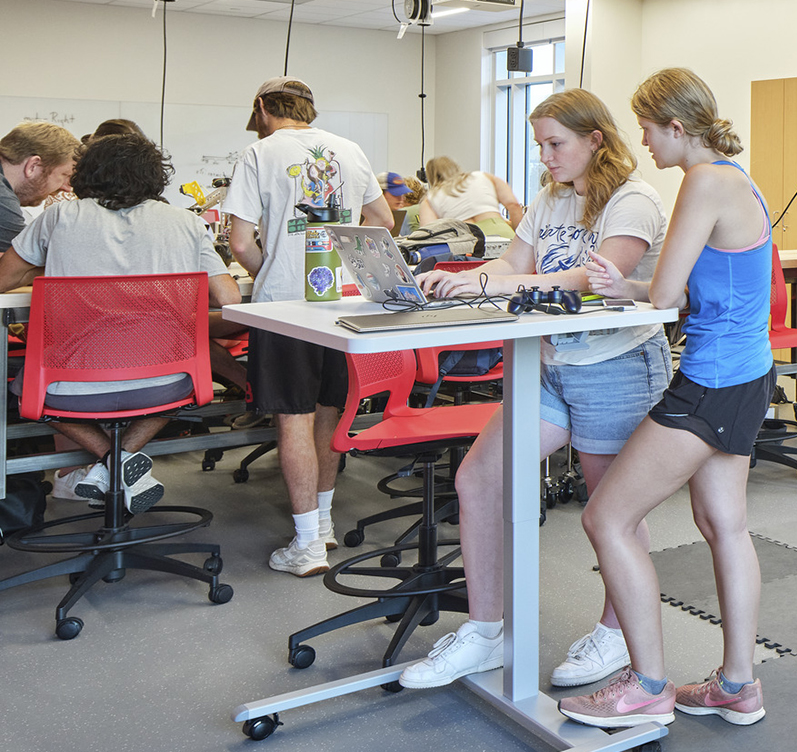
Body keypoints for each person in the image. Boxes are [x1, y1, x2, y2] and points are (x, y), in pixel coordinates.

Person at [397, 90, 667, 692]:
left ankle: (619, 631)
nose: (545, 157)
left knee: (611, 512)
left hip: (616, 363)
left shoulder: (634, 200)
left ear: (595, 138)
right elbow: (511, 264)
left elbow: (593, 279)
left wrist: (494, 286)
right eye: (540, 144)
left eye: (555, 144)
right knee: (478, 478)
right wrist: (461, 279)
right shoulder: (548, 200)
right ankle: (485, 632)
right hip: (549, 364)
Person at [559, 68, 773, 729]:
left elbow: (666, 297)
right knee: (723, 525)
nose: (645, 143)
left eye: (649, 129)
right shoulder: (737, 179)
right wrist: (618, 286)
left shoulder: (703, 181)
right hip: (746, 374)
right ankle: (738, 684)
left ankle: (647, 684)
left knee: (606, 519)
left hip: (709, 380)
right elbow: (681, 287)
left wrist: (638, 289)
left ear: (677, 126)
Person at [0, 132, 240, 513]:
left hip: (70, 384)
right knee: (181, 383)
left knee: (25, 390)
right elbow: (227, 298)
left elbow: (3, 278)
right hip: (167, 381)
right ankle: (125, 461)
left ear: (87, 174)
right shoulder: (185, 223)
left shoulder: (59, 217)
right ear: (154, 176)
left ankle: (111, 463)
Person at [224, 78, 388, 575]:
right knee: (327, 413)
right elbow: (382, 221)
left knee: (291, 418)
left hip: (285, 307)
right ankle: (325, 527)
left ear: (262, 108)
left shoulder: (260, 153)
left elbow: (238, 241)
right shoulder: (349, 149)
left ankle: (305, 546)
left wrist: (270, 270)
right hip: (341, 302)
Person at [0, 122, 81, 252]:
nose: (67, 188)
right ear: (33, 165)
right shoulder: (3, 201)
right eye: (64, 175)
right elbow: (16, 267)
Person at [417, 155, 523, 239]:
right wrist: (520, 238)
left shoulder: (431, 198)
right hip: (501, 233)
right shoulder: (483, 176)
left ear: (430, 176)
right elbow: (514, 205)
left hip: (466, 241)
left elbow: (429, 233)